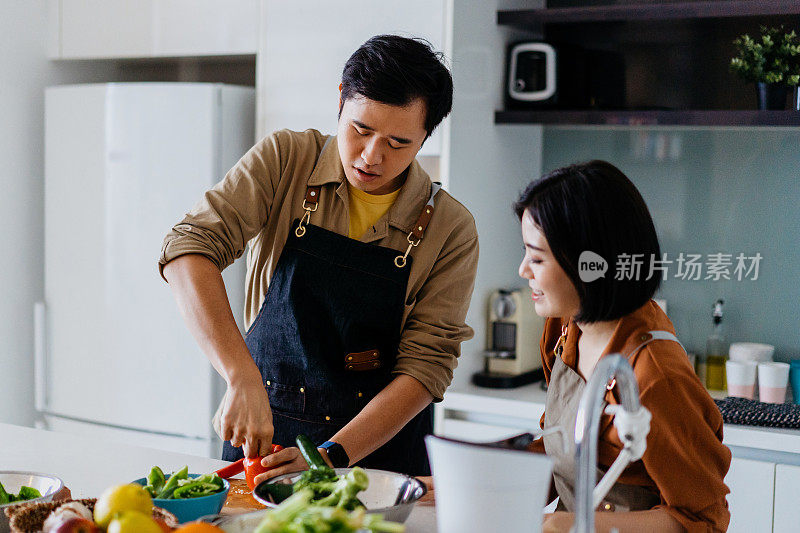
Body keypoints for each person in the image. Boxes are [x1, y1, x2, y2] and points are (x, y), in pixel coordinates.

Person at [159, 35, 478, 478]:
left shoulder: (450, 229)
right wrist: (240, 375)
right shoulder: (287, 159)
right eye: (360, 130)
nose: (371, 156)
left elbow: (427, 367)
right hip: (266, 438)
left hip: (375, 460)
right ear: (341, 101)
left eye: (398, 142)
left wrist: (331, 456)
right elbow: (189, 247)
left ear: (426, 136)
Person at [515, 161, 730, 532]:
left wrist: (572, 525)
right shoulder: (564, 328)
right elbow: (563, 450)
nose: (523, 270)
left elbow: (704, 519)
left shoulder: (655, 377)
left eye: (536, 258)